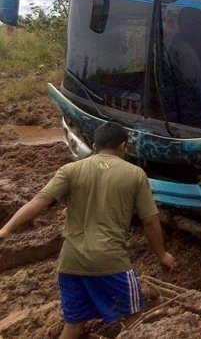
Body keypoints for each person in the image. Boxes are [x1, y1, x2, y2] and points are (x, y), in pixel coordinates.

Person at [0, 122, 176, 339]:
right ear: (123, 146)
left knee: (74, 325)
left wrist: (5, 230)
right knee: (135, 318)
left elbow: (39, 201)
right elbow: (150, 221)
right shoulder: (135, 175)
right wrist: (162, 255)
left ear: (94, 145)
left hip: (71, 263)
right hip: (111, 262)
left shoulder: (71, 170)